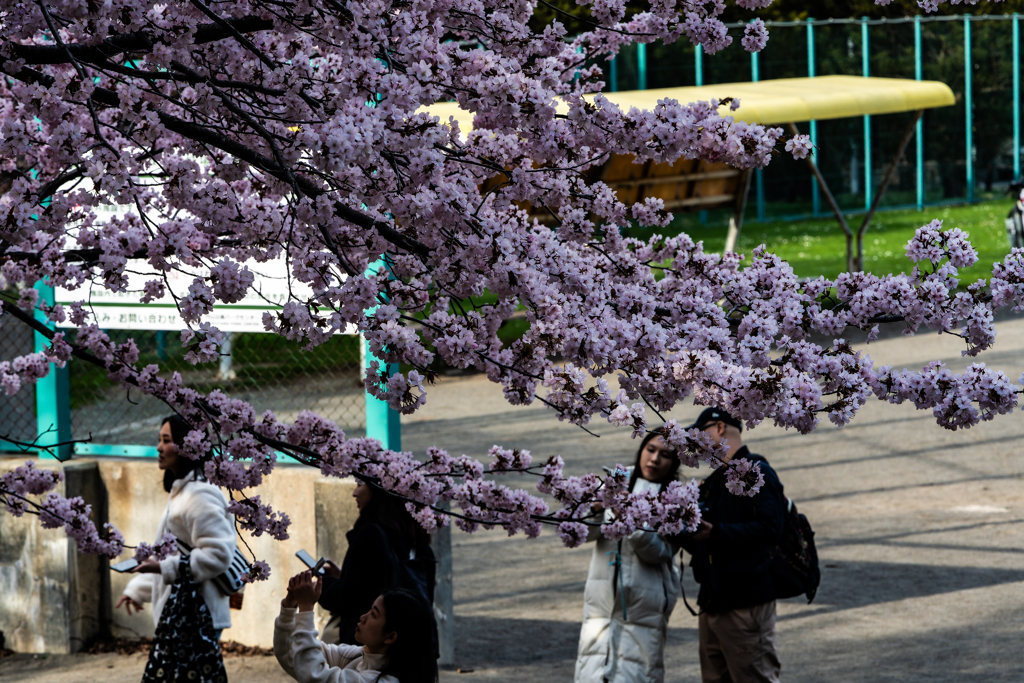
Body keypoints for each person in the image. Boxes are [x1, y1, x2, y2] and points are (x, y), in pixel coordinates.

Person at [679, 407, 787, 683]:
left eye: (701, 433)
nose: (698, 443)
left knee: (754, 678)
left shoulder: (753, 471)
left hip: (745, 601)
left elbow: (771, 528)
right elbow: (705, 539)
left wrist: (716, 532)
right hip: (713, 600)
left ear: (719, 428)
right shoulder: (715, 480)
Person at [574, 429, 682, 683]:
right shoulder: (616, 478)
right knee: (594, 670)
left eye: (664, 454)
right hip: (600, 607)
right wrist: (595, 508)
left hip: (644, 608)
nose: (654, 459)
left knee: (636, 672)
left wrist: (628, 518)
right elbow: (582, 533)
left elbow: (659, 552)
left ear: (675, 462)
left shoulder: (676, 498)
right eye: (650, 450)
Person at [117, 415, 236, 640]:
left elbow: (218, 555)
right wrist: (138, 590)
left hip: (197, 617)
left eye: (166, 440)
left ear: (187, 446)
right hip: (182, 615)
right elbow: (174, 554)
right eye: (159, 439)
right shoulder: (183, 491)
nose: (159, 447)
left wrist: (162, 568)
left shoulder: (198, 495)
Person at [317, 479, 437, 650]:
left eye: (360, 484)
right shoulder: (418, 542)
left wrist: (323, 582)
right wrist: (343, 577)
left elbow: (351, 599)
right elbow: (374, 585)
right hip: (412, 653)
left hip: (371, 653)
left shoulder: (371, 535)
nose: (354, 493)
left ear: (379, 489)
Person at [274, 570, 438, 683]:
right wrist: (289, 607)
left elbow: (315, 676)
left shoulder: (386, 680)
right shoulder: (359, 656)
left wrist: (306, 607)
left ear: (391, 636)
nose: (363, 617)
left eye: (374, 614)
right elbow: (295, 658)